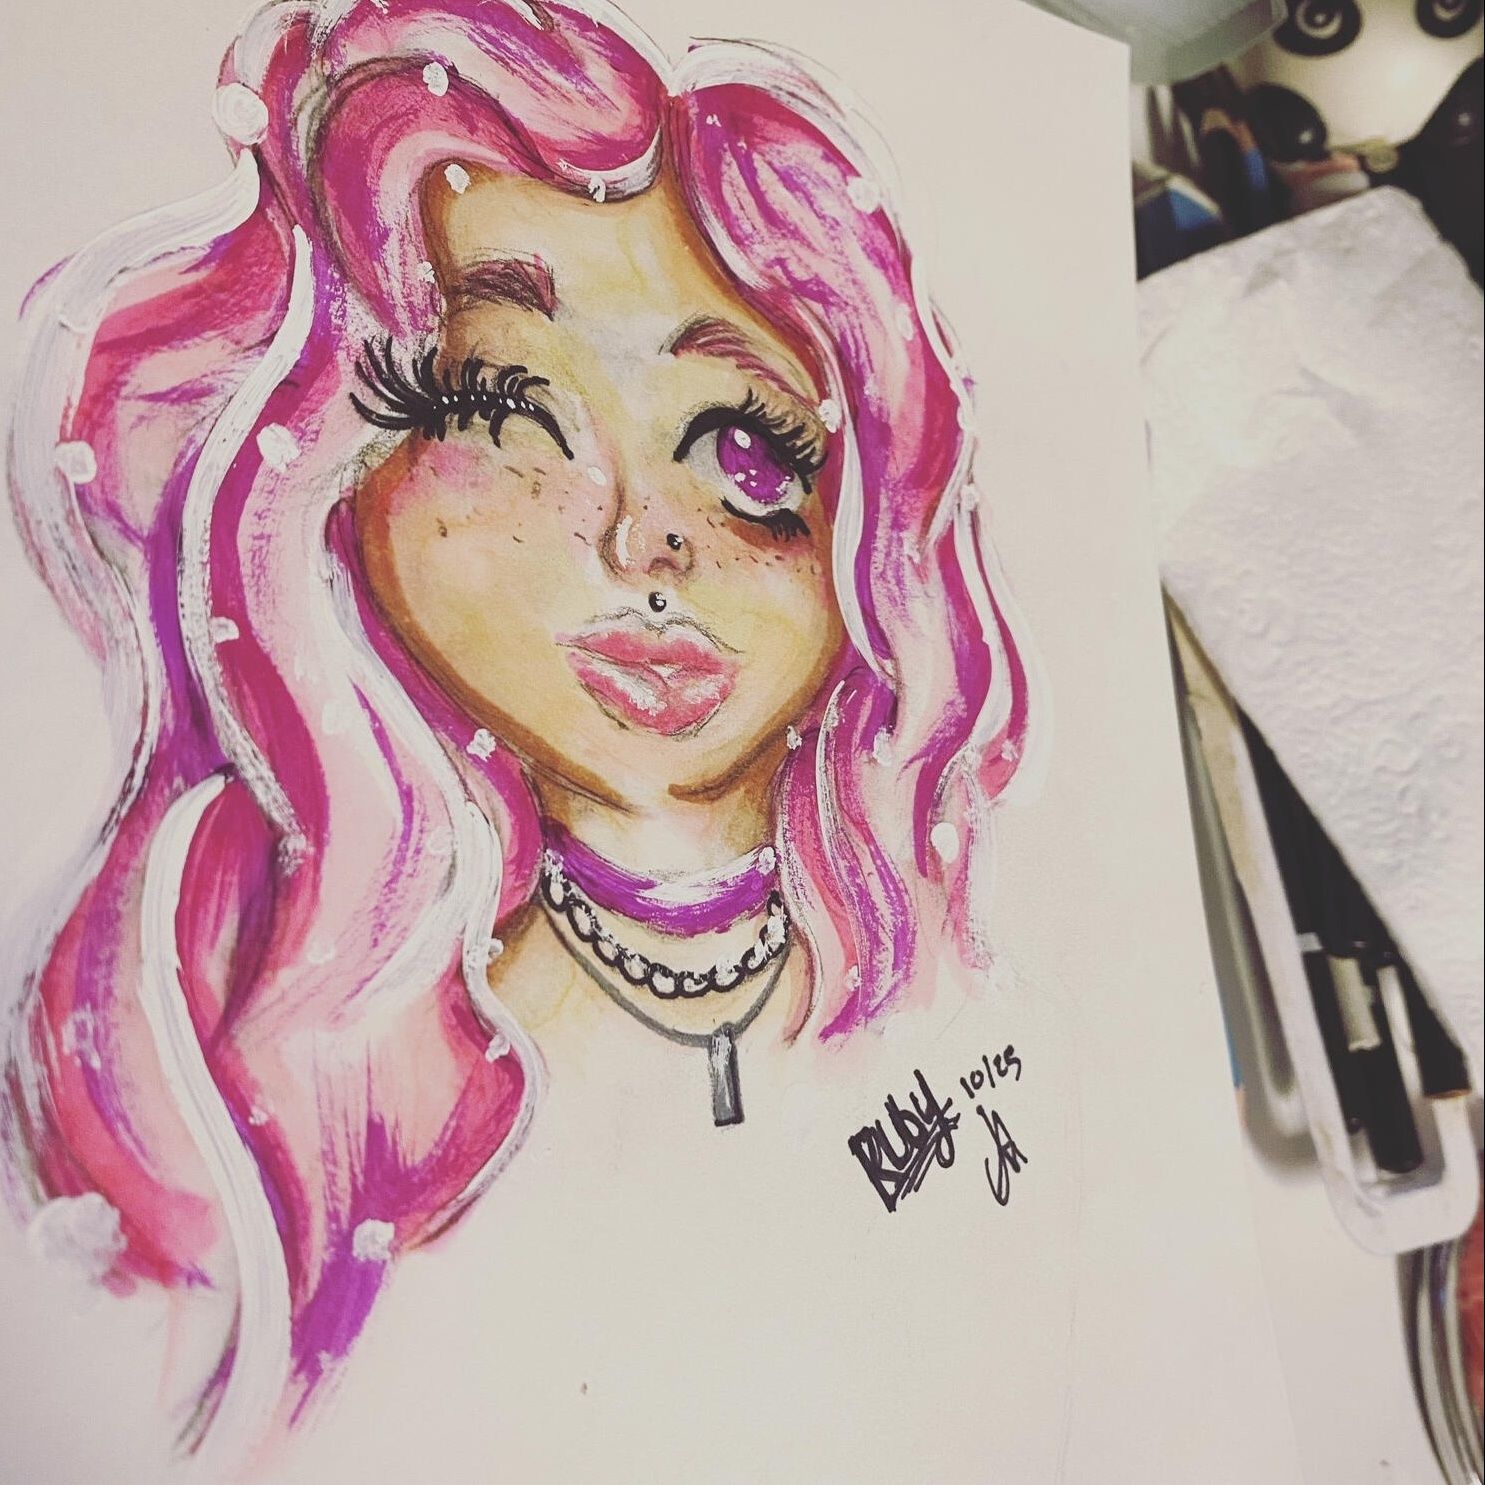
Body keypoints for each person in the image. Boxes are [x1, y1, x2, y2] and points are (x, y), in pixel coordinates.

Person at [2, 0, 1031, 1456]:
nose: (640, 542)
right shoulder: (284, 1036)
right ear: (329, 472)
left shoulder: (925, 978)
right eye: (496, 406)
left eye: (747, 449)